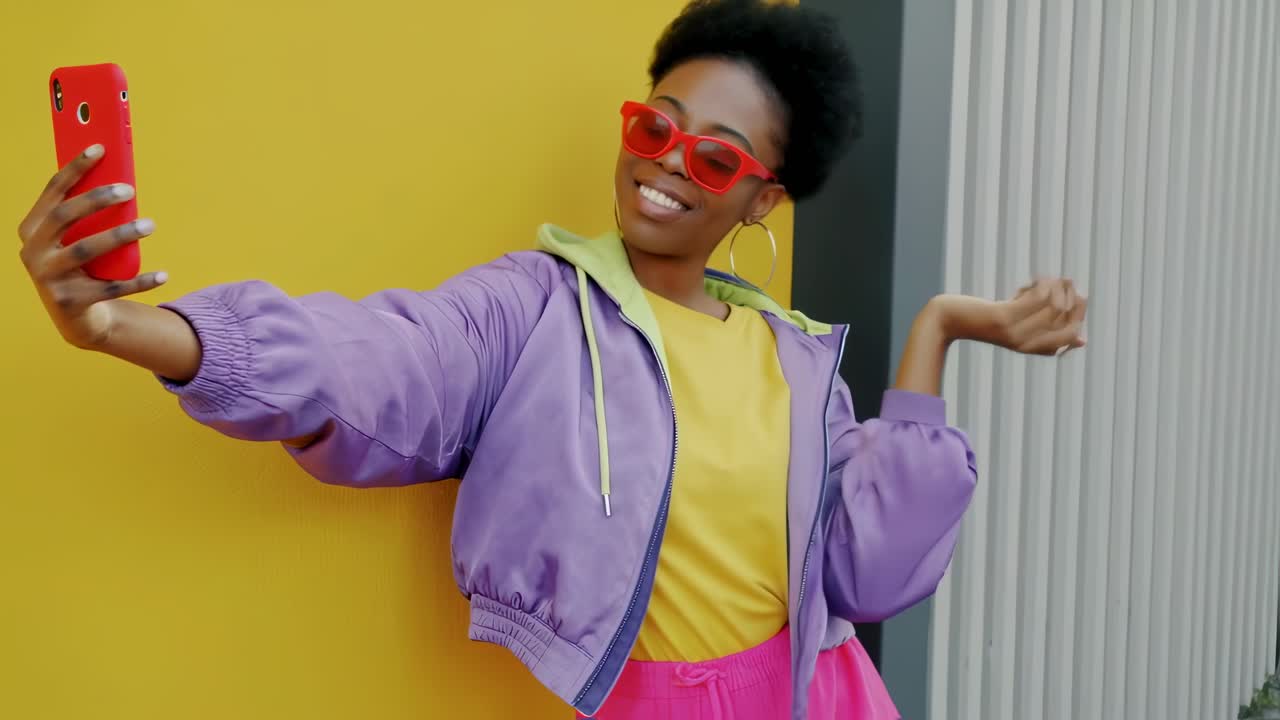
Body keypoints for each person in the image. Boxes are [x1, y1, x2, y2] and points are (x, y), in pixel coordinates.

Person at [15, 1, 1088, 718]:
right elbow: (371, 357)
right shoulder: (537, 310)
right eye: (653, 126)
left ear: (761, 199)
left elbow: (869, 575)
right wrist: (126, 330)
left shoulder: (793, 358)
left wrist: (933, 331)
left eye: (712, 155)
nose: (663, 166)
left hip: (822, 694)